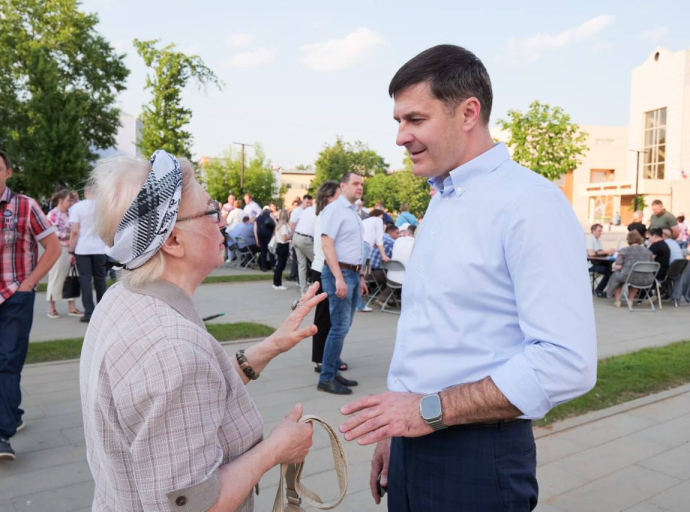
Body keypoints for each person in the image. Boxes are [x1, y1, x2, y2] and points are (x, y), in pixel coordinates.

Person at [338, 45, 597, 511]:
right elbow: (430, 331)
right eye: (398, 121)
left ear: (468, 113)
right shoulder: (444, 197)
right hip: (415, 441)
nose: (400, 137)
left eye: (415, 120)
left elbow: (565, 362)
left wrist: (424, 412)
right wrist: (398, 429)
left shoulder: (529, 203)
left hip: (476, 458)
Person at [81, 150, 324, 511]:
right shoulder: (171, 347)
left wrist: (271, 346)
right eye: (211, 211)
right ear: (173, 241)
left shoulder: (123, 297)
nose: (222, 221)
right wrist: (276, 449)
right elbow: (194, 505)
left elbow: (187, 393)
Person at [0, 149, 61, 460]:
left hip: (15, 297)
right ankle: (14, 411)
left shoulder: (25, 206)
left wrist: (29, 284)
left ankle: (1, 434)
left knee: (8, 361)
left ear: (8, 172)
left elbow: (53, 248)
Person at [317, 172, 367, 395]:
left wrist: (361, 276)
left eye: (361, 184)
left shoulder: (352, 212)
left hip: (353, 273)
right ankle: (326, 377)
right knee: (338, 327)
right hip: (341, 273)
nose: (359, 187)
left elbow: (355, 246)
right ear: (343, 186)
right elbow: (327, 245)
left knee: (343, 326)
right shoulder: (335, 210)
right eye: (355, 184)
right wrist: (338, 277)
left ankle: (333, 370)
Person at [310, 181, 346, 374]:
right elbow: (325, 247)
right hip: (323, 269)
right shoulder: (326, 215)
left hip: (329, 268)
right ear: (330, 196)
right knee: (324, 317)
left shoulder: (332, 214)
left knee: (335, 318)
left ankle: (330, 354)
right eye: (339, 193)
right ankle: (320, 358)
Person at [68, 185, 107, 323]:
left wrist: (71, 251)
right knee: (100, 280)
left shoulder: (77, 207)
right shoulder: (103, 207)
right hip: (100, 248)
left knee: (85, 280)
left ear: (85, 193)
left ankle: (89, 312)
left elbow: (74, 232)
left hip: (83, 249)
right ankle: (102, 311)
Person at [46, 189, 83, 318]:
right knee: (56, 277)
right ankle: (51, 307)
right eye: (69, 200)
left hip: (71, 248)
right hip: (59, 249)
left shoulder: (70, 213)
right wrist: (70, 235)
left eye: (72, 200)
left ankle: (71, 307)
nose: (71, 202)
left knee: (71, 277)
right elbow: (54, 233)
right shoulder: (52, 214)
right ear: (61, 200)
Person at [604, 230, 653, 307]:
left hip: (629, 277)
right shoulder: (648, 251)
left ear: (628, 240)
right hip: (646, 278)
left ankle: (617, 301)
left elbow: (618, 266)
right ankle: (630, 300)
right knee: (636, 275)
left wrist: (615, 267)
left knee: (617, 275)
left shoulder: (624, 251)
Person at [293, 196, 316, 296]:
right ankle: (316, 288)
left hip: (296, 236)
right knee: (317, 263)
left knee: (301, 265)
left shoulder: (308, 210)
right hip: (305, 239)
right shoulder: (320, 212)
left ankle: (304, 291)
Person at [370, 224, 398, 306]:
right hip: (380, 272)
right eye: (397, 233)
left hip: (371, 272)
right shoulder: (392, 242)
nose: (398, 235)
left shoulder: (378, 238)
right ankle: (381, 298)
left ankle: (390, 298)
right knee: (397, 280)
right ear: (391, 232)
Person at [586, 223, 615, 298]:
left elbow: (600, 252)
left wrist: (609, 253)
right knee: (609, 272)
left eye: (601, 231)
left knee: (612, 271)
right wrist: (606, 251)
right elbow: (591, 253)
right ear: (593, 231)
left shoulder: (598, 241)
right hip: (591, 265)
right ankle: (599, 290)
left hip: (599, 263)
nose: (600, 233)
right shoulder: (590, 239)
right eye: (599, 231)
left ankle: (605, 290)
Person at [272, 210, 291, 290]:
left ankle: (276, 282)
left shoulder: (278, 226)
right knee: (281, 265)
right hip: (283, 245)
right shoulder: (284, 226)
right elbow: (284, 238)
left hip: (279, 245)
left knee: (279, 265)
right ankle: (278, 283)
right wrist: (291, 235)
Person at [254, 206, 276, 271]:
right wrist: (274, 233)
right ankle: (273, 266)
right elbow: (275, 222)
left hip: (260, 234)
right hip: (268, 233)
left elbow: (255, 228)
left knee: (263, 251)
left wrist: (256, 238)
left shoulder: (258, 216)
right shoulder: (270, 213)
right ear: (269, 210)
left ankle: (263, 267)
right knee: (270, 249)